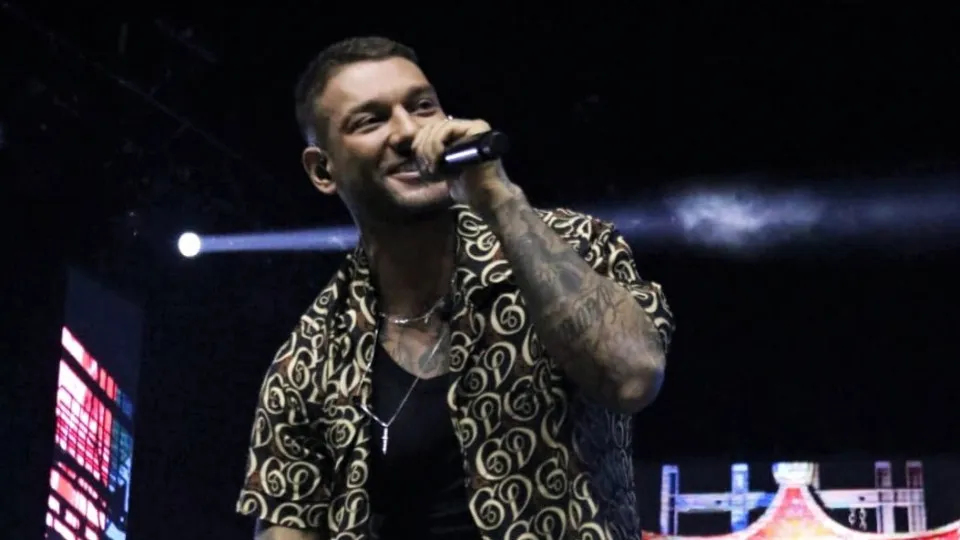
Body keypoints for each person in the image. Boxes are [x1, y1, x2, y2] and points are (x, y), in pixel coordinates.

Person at [236, 36, 675, 540]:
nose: (408, 131)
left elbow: (632, 378)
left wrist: (499, 199)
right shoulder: (309, 358)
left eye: (423, 106)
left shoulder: (574, 245)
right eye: (371, 121)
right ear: (322, 170)